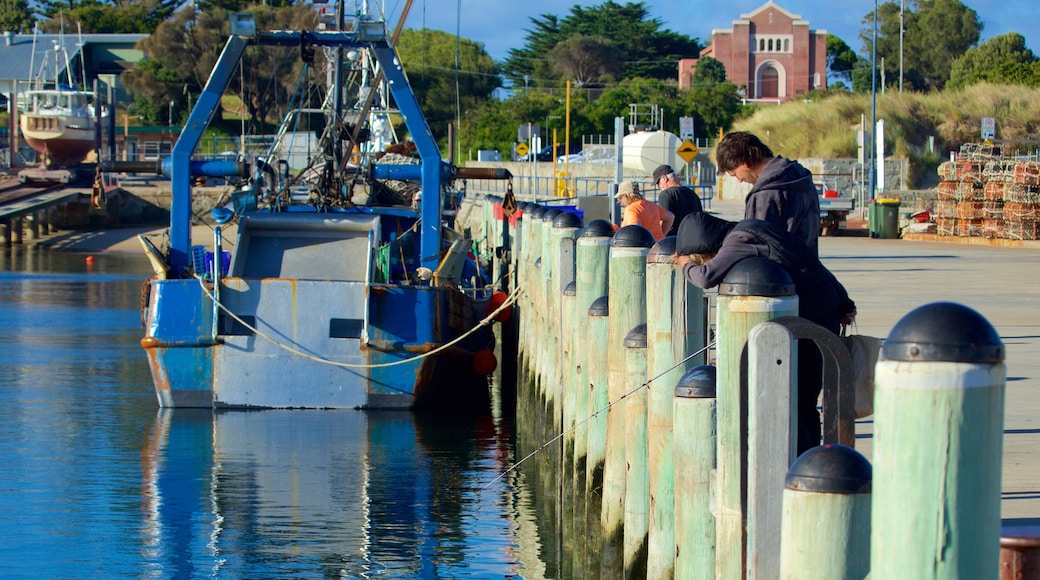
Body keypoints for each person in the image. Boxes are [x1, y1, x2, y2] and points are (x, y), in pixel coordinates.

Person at [674, 212, 857, 455]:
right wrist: (844, 302)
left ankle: (798, 461)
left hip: (808, 323)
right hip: (823, 317)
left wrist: (686, 264)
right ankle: (809, 457)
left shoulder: (739, 240)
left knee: (796, 399)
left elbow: (706, 276)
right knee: (805, 400)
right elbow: (812, 264)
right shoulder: (756, 228)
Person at [715, 131, 821, 256]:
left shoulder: (765, 194)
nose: (739, 180)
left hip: (778, 272)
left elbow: (755, 245)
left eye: (735, 173)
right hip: (810, 268)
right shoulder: (801, 177)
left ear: (745, 162)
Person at [652, 164, 703, 237]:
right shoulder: (693, 194)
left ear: (664, 178)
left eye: (658, 183)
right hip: (692, 239)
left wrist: (659, 239)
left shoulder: (666, 195)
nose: (658, 186)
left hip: (674, 241)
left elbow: (664, 220)